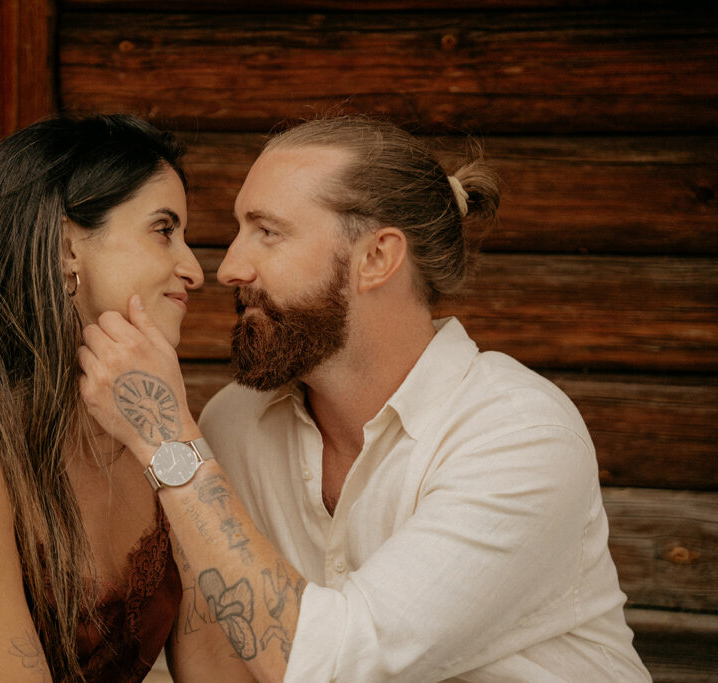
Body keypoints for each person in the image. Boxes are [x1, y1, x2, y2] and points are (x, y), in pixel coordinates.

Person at [77, 116, 651, 681]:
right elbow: (216, 665)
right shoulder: (235, 423)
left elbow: (335, 667)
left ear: (376, 258)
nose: (228, 268)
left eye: (268, 232)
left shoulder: (519, 438)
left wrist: (166, 438)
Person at [0, 113, 214, 682]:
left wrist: (175, 436)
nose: (194, 270)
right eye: (163, 230)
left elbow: (217, 672)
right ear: (65, 249)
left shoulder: (156, 445)